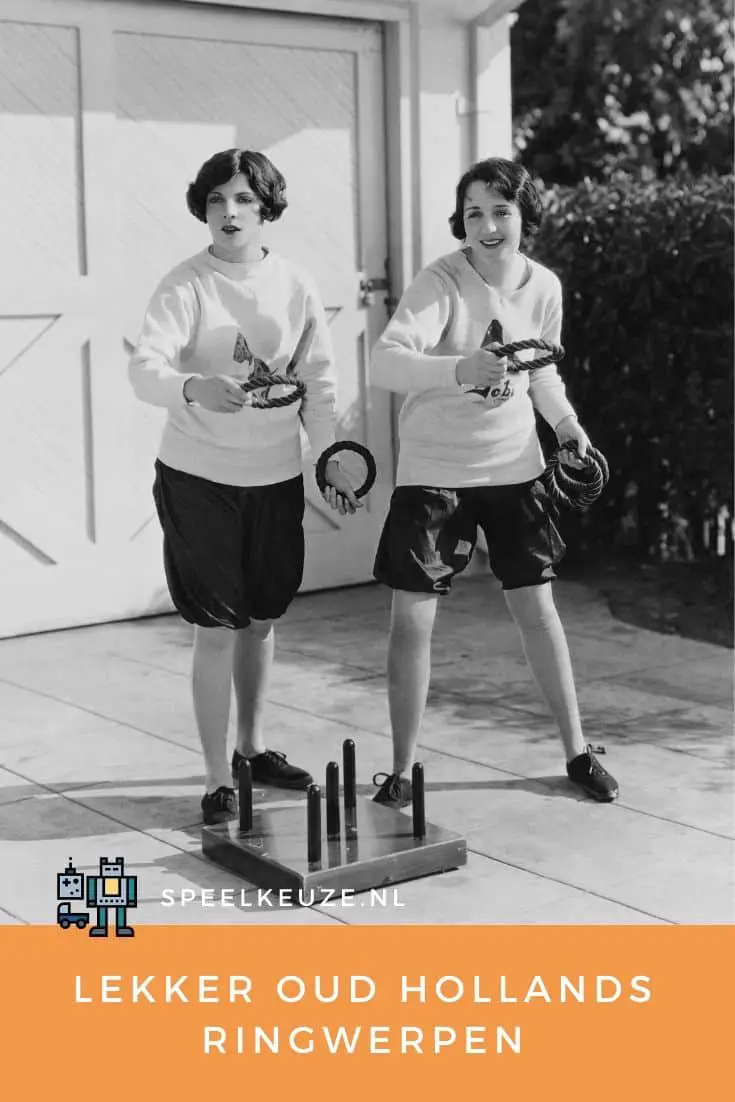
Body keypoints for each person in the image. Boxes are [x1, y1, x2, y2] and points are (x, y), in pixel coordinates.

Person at [369, 157, 618, 808]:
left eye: (500, 211)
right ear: (462, 221)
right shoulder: (438, 282)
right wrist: (459, 368)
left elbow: (540, 372)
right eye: (473, 212)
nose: (486, 224)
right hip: (434, 472)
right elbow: (386, 362)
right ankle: (398, 771)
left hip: (514, 467)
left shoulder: (543, 287)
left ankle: (576, 752)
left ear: (522, 218)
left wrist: (567, 427)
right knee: (411, 623)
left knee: (537, 612)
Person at [129, 148, 359, 825]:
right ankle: (213, 779)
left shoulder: (294, 284)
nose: (228, 213)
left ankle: (252, 750)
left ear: (266, 211)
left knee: (261, 621)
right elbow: (144, 369)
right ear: (203, 209)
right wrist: (192, 385)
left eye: (243, 201)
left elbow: (320, 382)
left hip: (275, 476)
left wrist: (332, 455)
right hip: (199, 478)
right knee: (216, 627)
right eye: (216, 200)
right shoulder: (185, 284)